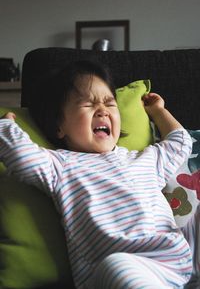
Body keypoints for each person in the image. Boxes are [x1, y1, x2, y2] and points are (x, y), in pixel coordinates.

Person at [0, 60, 194, 288]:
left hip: (177, 256)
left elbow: (180, 143)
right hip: (119, 267)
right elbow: (22, 158)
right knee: (117, 266)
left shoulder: (143, 159)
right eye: (88, 104)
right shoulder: (60, 165)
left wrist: (158, 111)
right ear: (58, 126)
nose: (102, 110)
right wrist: (6, 127)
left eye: (110, 104)